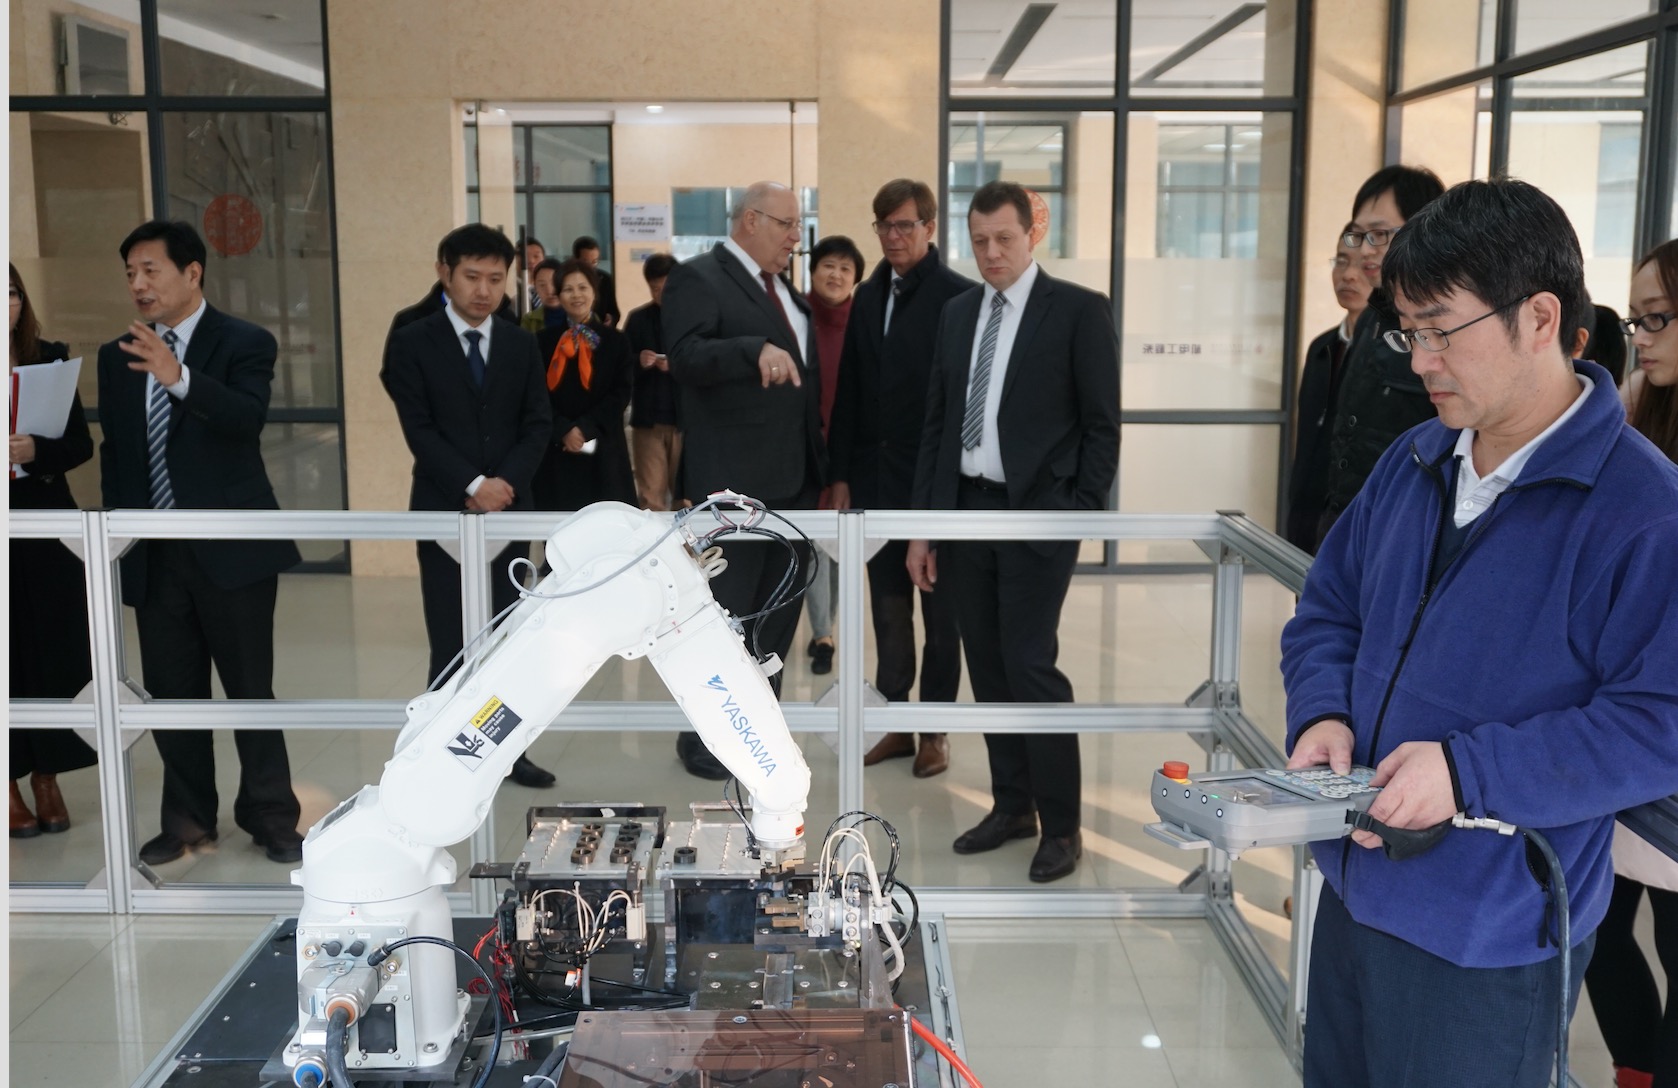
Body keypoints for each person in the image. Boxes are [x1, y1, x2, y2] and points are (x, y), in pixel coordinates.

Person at [1281, 180, 1678, 1088]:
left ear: (1540, 318)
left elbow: (1660, 724)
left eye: (1441, 331)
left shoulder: (1644, 513)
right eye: (1406, 333)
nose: (1421, 361)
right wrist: (1324, 712)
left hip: (1492, 933)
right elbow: (1329, 609)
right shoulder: (1414, 459)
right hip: (1355, 887)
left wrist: (1467, 774)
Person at [908, 180, 1120, 882]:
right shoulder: (957, 313)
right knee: (989, 667)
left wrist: (1076, 512)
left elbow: (1102, 426)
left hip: (1038, 515)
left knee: (1030, 666)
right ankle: (1012, 806)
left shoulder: (1079, 311)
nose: (991, 252)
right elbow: (937, 425)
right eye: (979, 241)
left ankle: (1061, 827)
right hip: (966, 513)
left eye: (1004, 238)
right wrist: (923, 529)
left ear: (1034, 233)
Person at [97, 220, 305, 866]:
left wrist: (178, 377)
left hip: (232, 550)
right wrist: (119, 539)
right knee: (173, 695)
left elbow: (246, 419)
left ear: (192, 273)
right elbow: (118, 454)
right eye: (130, 273)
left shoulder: (245, 341)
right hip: (156, 554)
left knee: (249, 688)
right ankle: (187, 820)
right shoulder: (116, 355)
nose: (139, 284)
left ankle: (270, 814)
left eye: (150, 270)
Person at [381, 224, 555, 789]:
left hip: (510, 509)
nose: (484, 291)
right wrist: (473, 482)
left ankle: (507, 753)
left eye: (495, 279)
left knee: (508, 639)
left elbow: (537, 423)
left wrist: (504, 483)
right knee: (450, 639)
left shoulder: (520, 342)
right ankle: (442, 751)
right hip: (443, 509)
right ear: (445, 274)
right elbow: (419, 428)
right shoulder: (413, 339)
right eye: (472, 277)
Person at [662, 180, 826, 780]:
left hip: (796, 485)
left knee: (776, 619)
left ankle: (758, 734)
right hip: (733, 489)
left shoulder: (787, 293)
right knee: (726, 622)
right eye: (787, 224)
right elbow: (685, 355)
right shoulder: (699, 278)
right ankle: (707, 742)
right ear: (750, 220)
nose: (795, 237)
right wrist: (750, 349)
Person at [828, 178, 972, 778]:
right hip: (875, 483)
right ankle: (894, 724)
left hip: (934, 486)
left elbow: (961, 405)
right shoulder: (867, 296)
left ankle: (934, 732)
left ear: (929, 228)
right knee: (888, 614)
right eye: (883, 226)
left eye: (904, 225)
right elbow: (851, 389)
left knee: (940, 620)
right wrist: (840, 474)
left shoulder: (958, 297)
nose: (892, 236)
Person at [1582, 239, 1678, 1088]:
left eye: (1658, 319)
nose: (1640, 338)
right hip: (1619, 723)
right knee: (1598, 929)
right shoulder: (1632, 413)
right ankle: (1633, 1069)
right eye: (1637, 319)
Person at [8, 264, 99, 838]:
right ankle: (8, 783)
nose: (6, 304)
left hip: (44, 523)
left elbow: (80, 445)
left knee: (53, 650)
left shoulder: (49, 359)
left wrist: (35, 449)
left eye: (11, 293)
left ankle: (48, 775)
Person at [1315, 165, 1446, 546]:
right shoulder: (1372, 318)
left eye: (1379, 234)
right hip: (1351, 525)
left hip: (1406, 532)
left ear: (1423, 228)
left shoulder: (1445, 322)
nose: (1365, 250)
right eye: (1359, 235)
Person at [1285, 225, 1373, 552]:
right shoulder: (1321, 348)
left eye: (1363, 265)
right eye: (1341, 261)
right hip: (1308, 514)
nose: (1348, 275)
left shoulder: (1394, 354)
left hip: (1356, 520)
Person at [802, 234, 864, 677]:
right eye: (828, 265)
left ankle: (827, 624)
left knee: (841, 544)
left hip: (849, 452)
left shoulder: (863, 322)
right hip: (803, 449)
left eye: (845, 268)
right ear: (813, 270)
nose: (836, 275)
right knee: (812, 544)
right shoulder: (795, 316)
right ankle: (822, 632)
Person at [531, 258, 636, 511]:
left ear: (594, 292)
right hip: (557, 451)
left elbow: (621, 393)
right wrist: (564, 430)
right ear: (559, 295)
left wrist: (585, 428)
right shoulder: (542, 341)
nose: (576, 295)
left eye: (582, 288)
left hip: (605, 449)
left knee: (606, 523)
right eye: (568, 289)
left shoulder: (616, 341)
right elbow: (536, 394)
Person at [624, 253, 682, 511]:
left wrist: (676, 365)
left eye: (667, 288)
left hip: (685, 422)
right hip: (648, 422)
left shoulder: (692, 318)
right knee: (650, 499)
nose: (662, 294)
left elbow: (706, 363)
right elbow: (622, 364)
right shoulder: (638, 319)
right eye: (655, 289)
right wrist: (639, 360)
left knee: (687, 498)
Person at [572, 236, 621, 327]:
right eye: (586, 262)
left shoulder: (605, 280)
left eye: (594, 262)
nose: (591, 267)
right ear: (575, 260)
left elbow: (614, 312)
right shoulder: (568, 280)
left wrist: (611, 319)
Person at [520, 256, 564, 334]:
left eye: (554, 283)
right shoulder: (529, 321)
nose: (549, 291)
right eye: (542, 285)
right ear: (535, 288)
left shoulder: (579, 316)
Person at [522, 238, 547, 312]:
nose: (531, 261)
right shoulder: (513, 288)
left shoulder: (552, 286)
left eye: (536, 256)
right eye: (525, 257)